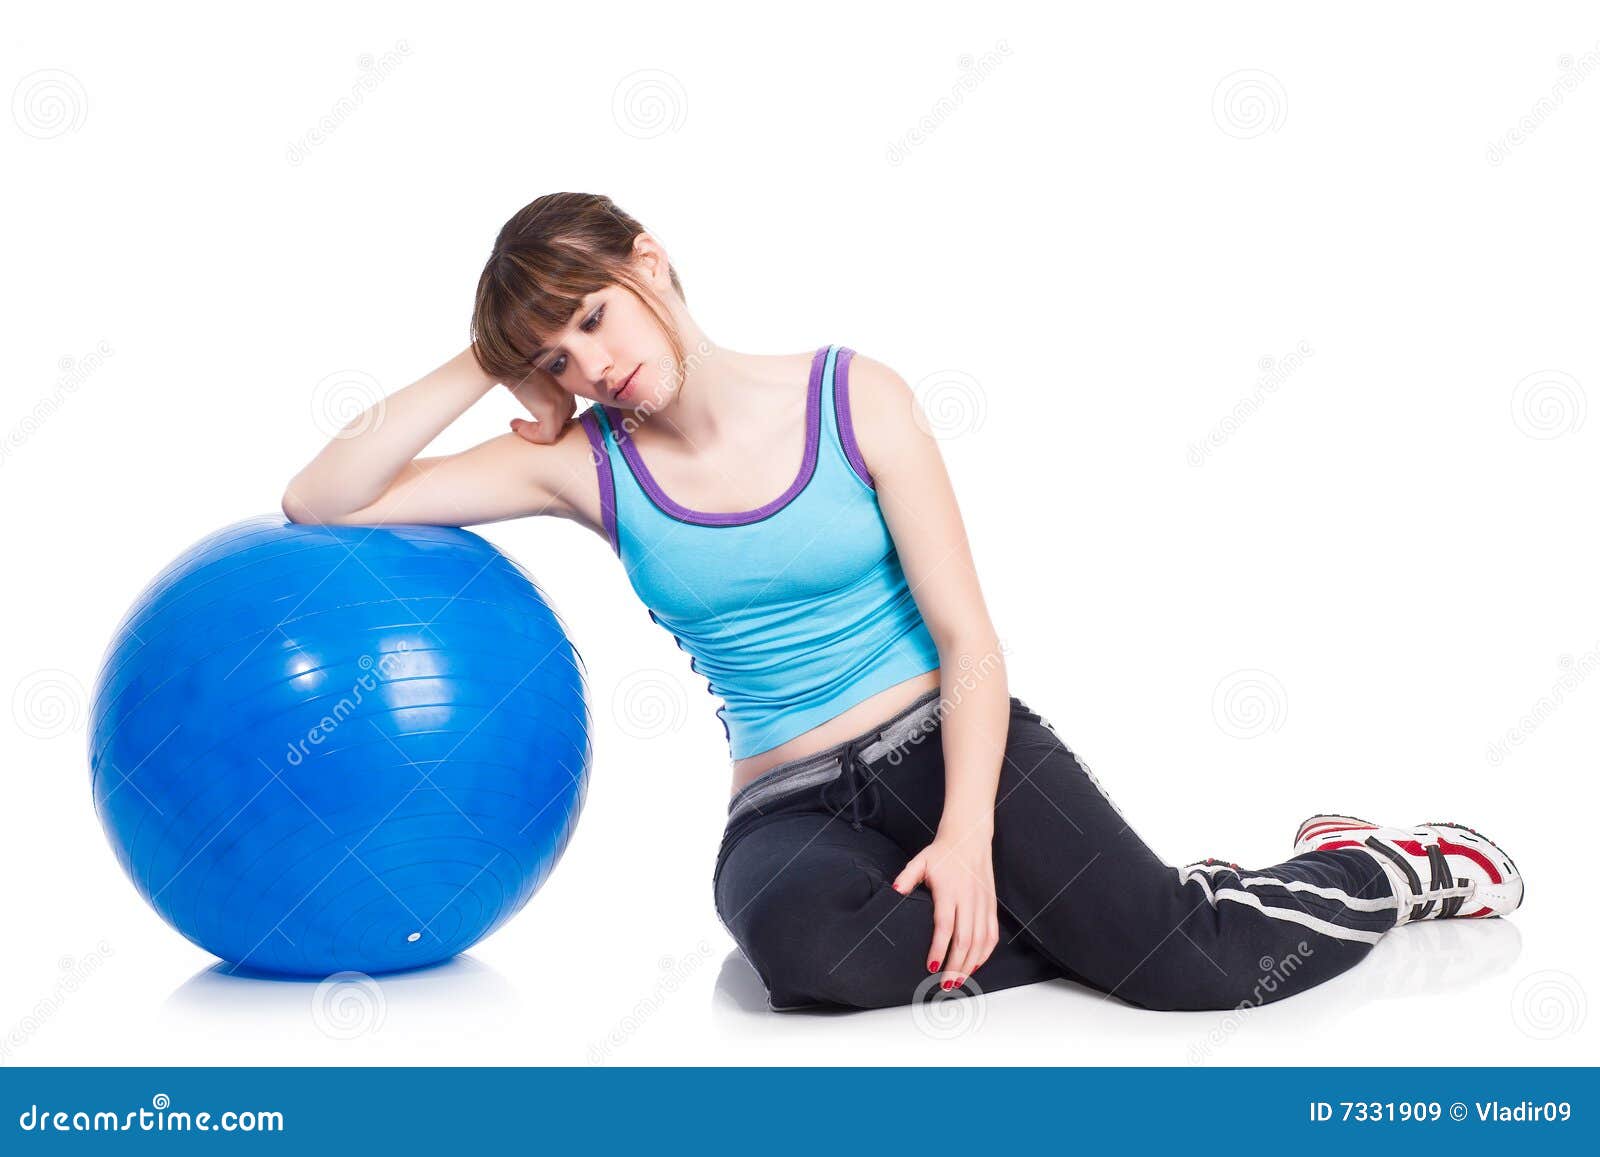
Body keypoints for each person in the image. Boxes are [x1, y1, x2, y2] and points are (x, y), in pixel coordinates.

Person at [282, 192, 1525, 1012]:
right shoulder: (581, 464)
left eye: (593, 317)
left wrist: (972, 833)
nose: (592, 364)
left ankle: (1378, 862)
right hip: (786, 804)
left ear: (647, 259)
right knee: (811, 965)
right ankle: (1102, 902)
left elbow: (970, 641)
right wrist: (488, 359)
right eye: (557, 357)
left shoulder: (851, 395)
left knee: (1186, 970)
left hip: (948, 744)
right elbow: (322, 499)